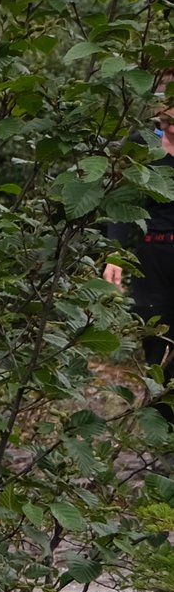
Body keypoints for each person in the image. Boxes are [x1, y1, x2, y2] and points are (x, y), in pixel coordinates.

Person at [105, 101, 174, 411]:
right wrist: (114, 256)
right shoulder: (142, 141)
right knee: (158, 347)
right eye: (166, 117)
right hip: (154, 258)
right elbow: (123, 204)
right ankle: (167, 436)